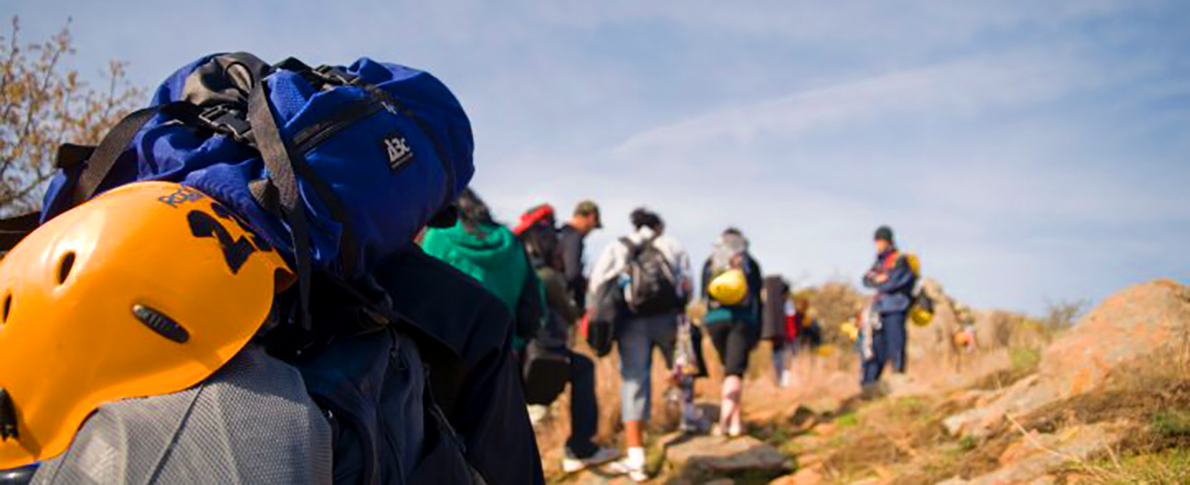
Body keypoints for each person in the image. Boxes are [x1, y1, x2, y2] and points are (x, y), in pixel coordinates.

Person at [587, 208, 691, 482]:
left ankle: (636, 459)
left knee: (634, 383)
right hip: (669, 318)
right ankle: (688, 418)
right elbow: (687, 285)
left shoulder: (618, 246)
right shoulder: (672, 245)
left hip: (631, 323)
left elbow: (596, 283)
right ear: (658, 226)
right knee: (681, 366)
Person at [513, 204, 619, 473]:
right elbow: (569, 305)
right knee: (584, 367)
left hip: (505, 358)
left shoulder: (511, 262)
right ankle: (580, 447)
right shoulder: (550, 272)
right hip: (537, 357)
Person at [420, 189, 545, 351]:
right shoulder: (512, 241)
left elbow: (422, 303)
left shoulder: (436, 238)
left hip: (446, 356)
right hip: (504, 355)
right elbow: (532, 311)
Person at [701, 228, 763, 437]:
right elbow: (757, 299)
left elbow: (704, 294)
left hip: (714, 321)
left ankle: (736, 421)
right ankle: (724, 423)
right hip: (741, 321)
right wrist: (758, 331)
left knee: (729, 370)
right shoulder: (750, 264)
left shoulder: (710, 262)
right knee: (734, 372)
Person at [860, 225, 918, 392]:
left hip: (896, 307)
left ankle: (898, 377)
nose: (877, 244)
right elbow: (865, 279)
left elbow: (894, 282)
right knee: (877, 346)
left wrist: (880, 280)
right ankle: (870, 384)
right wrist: (880, 278)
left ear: (887, 240)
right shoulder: (879, 261)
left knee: (896, 343)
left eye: (880, 240)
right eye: (876, 241)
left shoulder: (900, 259)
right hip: (880, 309)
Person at [557, 200, 602, 309]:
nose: (591, 231)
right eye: (594, 226)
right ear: (591, 217)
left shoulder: (560, 233)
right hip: (561, 304)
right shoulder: (574, 237)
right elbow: (572, 274)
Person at [761, 276, 791, 386]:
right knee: (780, 358)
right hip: (780, 339)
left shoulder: (771, 304)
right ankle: (781, 382)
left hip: (781, 339)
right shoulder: (780, 306)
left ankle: (782, 382)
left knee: (781, 358)